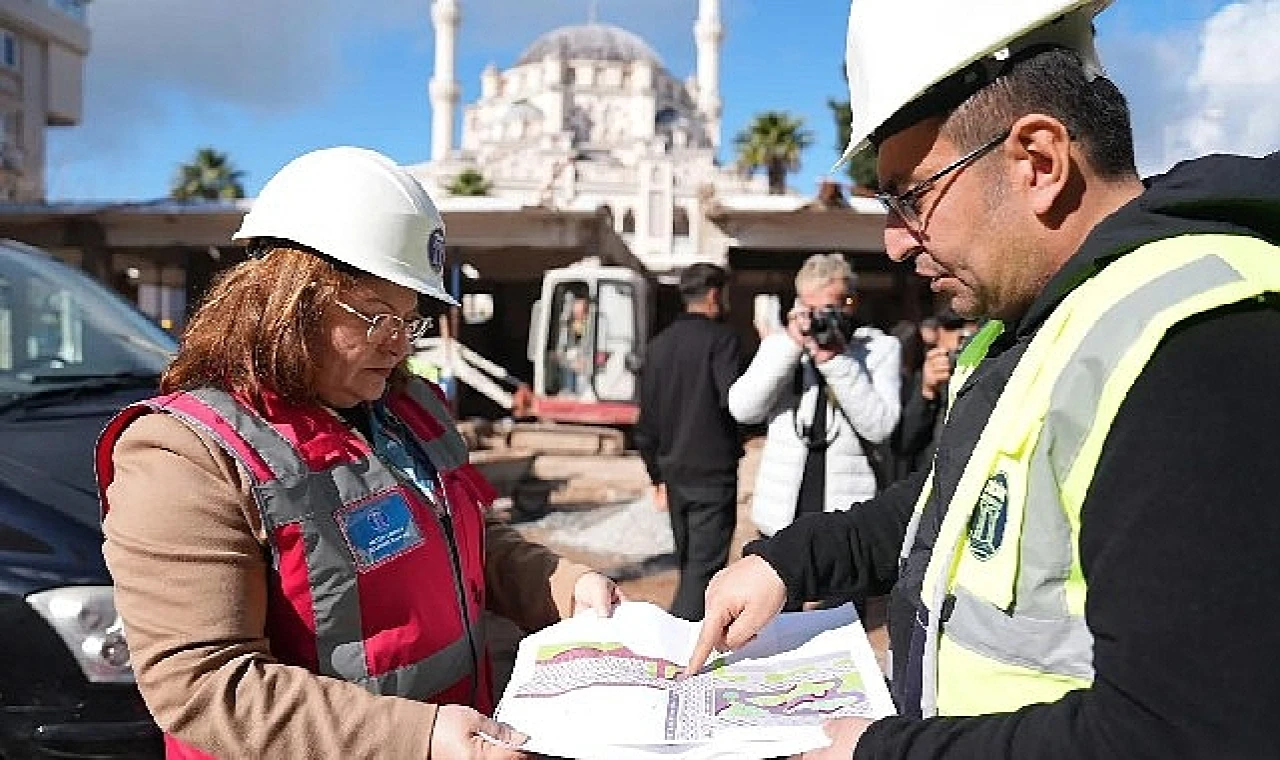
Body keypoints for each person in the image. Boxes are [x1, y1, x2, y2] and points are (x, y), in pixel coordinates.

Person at [687, 1, 1280, 758]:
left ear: (1038, 161)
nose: (896, 243)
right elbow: (965, 503)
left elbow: (1186, 732)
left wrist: (885, 753)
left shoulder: (1199, 343)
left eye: (911, 195)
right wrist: (793, 558)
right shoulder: (1042, 321)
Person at [98, 147, 622, 760]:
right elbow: (206, 686)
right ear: (288, 299)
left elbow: (465, 534)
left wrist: (559, 583)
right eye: (377, 317)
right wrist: (417, 737)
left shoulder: (412, 406)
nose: (399, 345)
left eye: (410, 320)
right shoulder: (185, 454)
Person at [727, 253, 900, 541]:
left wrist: (835, 360)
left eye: (829, 309)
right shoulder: (782, 346)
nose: (819, 319)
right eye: (810, 308)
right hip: (781, 516)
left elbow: (880, 428)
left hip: (845, 519)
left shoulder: (879, 349)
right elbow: (743, 410)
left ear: (850, 303)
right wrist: (788, 347)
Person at [635, 263, 743, 621]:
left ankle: (687, 633)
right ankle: (679, 640)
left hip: (673, 471)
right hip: (713, 473)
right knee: (704, 571)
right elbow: (735, 403)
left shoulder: (658, 346)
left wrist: (656, 474)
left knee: (689, 562)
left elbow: (646, 420)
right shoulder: (723, 340)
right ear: (714, 295)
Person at [891, 310, 978, 480]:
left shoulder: (992, 369)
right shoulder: (922, 374)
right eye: (952, 327)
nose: (961, 337)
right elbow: (903, 443)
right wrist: (927, 392)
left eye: (967, 329)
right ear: (937, 333)